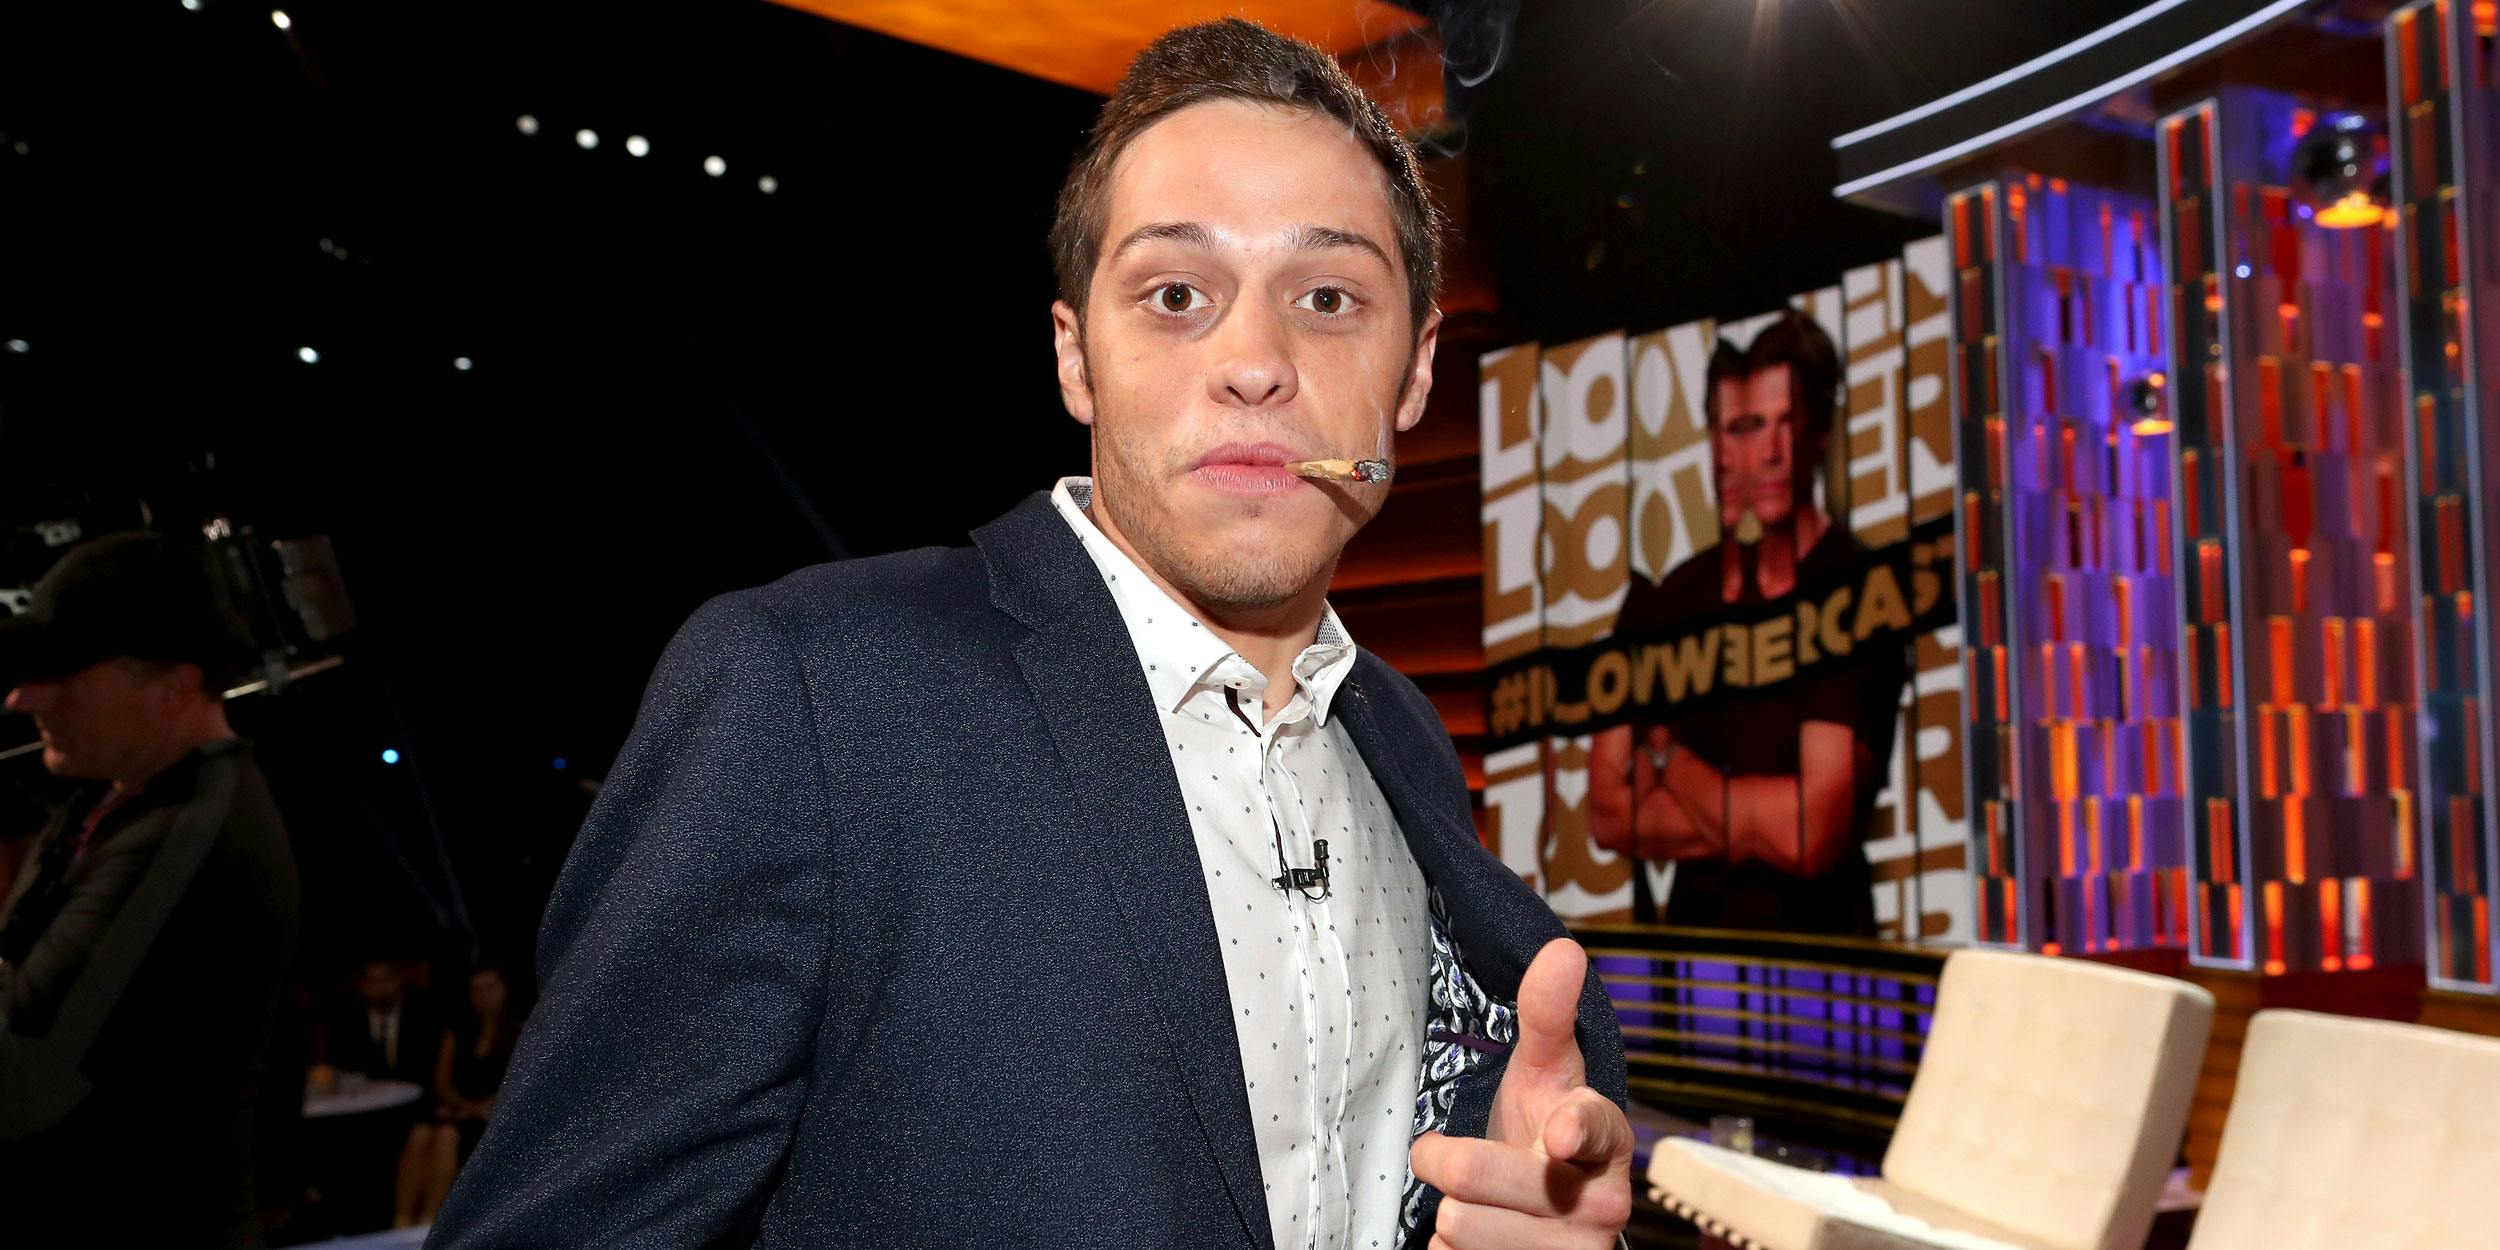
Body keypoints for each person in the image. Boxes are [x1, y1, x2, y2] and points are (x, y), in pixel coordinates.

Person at [430, 19, 1629, 1250]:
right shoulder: (813, 694)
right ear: (1077, 360)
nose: (1255, 362)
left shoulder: (1402, 734)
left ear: (1416, 371)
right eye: (1175, 294)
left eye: (1328, 297)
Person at [0, 530, 302, 1248]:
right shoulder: (118, 801)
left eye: (66, 673)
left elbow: (22, 1082)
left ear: (176, 683)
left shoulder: (188, 833)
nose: (22, 698)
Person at [1589, 312, 1908, 935]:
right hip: (1696, 966)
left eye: (1789, 423)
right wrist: (1758, 813)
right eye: (1747, 427)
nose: (1770, 452)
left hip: (1825, 964)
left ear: (1819, 432)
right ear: (1717, 443)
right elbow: (1607, 814)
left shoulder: (1857, 590)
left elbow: (1809, 833)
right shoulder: (1668, 600)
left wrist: (1672, 764)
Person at [396, 964, 519, 1227]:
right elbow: (442, 1083)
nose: (484, 995)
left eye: (490, 988)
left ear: (504, 990)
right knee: (420, 1133)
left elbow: (516, 1085)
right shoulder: (459, 1032)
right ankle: (402, 1218)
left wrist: (476, 1111)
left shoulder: (520, 1031)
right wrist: (467, 1108)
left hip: (493, 1117)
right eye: (477, 990)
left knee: (447, 1136)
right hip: (460, 1109)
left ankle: (429, 1220)